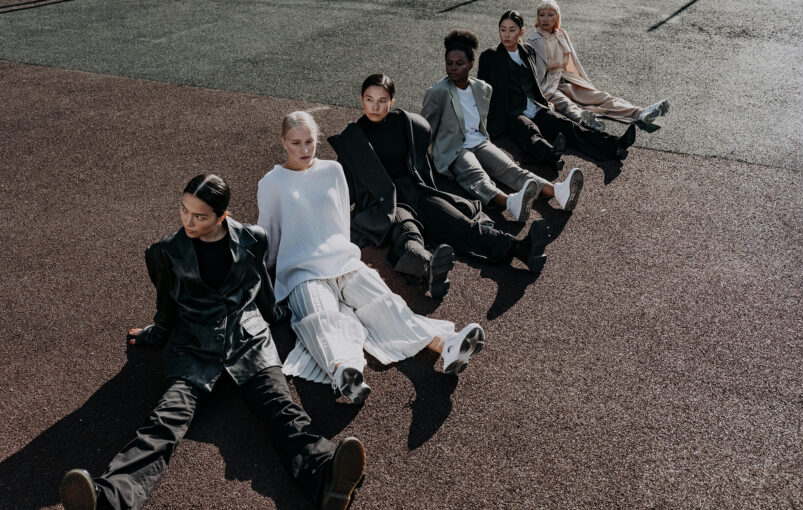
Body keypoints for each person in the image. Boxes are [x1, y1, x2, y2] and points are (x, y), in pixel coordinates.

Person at [58, 174, 365, 510]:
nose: (188, 221)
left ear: (222, 215)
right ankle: (108, 499)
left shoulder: (252, 238)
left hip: (249, 341)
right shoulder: (164, 252)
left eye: (199, 216)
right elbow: (166, 304)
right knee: (164, 422)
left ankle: (327, 477)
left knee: (282, 409)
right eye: (184, 210)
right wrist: (155, 334)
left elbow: (261, 285)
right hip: (192, 347)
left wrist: (276, 315)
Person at [256, 111, 486, 405]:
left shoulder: (333, 171)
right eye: (295, 143)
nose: (304, 149)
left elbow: (341, 220)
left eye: (309, 141)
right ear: (283, 142)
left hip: (343, 261)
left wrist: (347, 254)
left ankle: (447, 346)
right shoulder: (272, 183)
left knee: (386, 304)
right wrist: (261, 277)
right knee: (321, 319)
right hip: (301, 272)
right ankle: (343, 370)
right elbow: (269, 233)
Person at [329, 74, 552, 292]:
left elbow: (423, 149)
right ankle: (428, 269)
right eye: (369, 99)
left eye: (382, 100)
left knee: (459, 223)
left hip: (415, 191)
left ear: (392, 101)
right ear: (361, 99)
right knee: (408, 232)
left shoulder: (404, 123)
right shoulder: (352, 140)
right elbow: (342, 187)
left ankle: (521, 249)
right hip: (385, 203)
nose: (375, 107)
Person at [421, 29, 584, 218]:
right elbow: (425, 128)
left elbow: (482, 120)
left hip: (479, 141)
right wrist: (422, 161)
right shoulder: (437, 92)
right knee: (477, 176)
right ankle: (511, 203)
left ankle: (559, 192)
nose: (453, 68)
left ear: (471, 64)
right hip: (455, 149)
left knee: (512, 170)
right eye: (449, 63)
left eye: (459, 63)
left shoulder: (482, 88)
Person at [477, 10, 637, 163]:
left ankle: (615, 145)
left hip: (535, 107)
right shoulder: (490, 56)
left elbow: (533, 82)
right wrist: (481, 120)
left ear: (522, 32)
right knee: (529, 130)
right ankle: (550, 154)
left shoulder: (528, 51)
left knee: (567, 125)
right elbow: (481, 89)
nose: (506, 34)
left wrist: (544, 102)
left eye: (512, 30)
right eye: (503, 29)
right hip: (511, 113)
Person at [525, 0, 669, 132]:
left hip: (567, 78)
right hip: (547, 84)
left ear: (557, 17)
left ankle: (641, 113)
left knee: (601, 97)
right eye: (541, 15)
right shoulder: (534, 39)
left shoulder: (561, 34)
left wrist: (583, 81)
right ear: (537, 17)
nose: (545, 19)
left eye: (550, 15)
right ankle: (585, 120)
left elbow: (573, 61)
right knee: (566, 104)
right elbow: (529, 70)